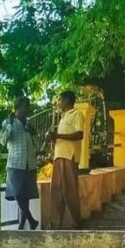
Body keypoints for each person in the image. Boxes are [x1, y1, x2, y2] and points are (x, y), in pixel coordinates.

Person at [0, 96, 39, 230]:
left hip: (30, 163)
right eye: (26, 106)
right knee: (17, 193)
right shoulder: (7, 122)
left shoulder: (29, 125)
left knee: (25, 194)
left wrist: (33, 134)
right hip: (15, 163)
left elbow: (35, 145)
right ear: (19, 107)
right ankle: (32, 220)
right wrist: (10, 125)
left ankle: (22, 225)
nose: (28, 109)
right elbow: (3, 141)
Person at [47, 91, 85, 229]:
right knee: (56, 191)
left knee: (70, 192)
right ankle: (55, 225)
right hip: (58, 157)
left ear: (68, 100)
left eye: (60, 99)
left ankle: (76, 224)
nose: (58, 102)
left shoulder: (77, 114)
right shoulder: (62, 117)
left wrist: (57, 135)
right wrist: (54, 138)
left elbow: (79, 134)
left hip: (69, 157)